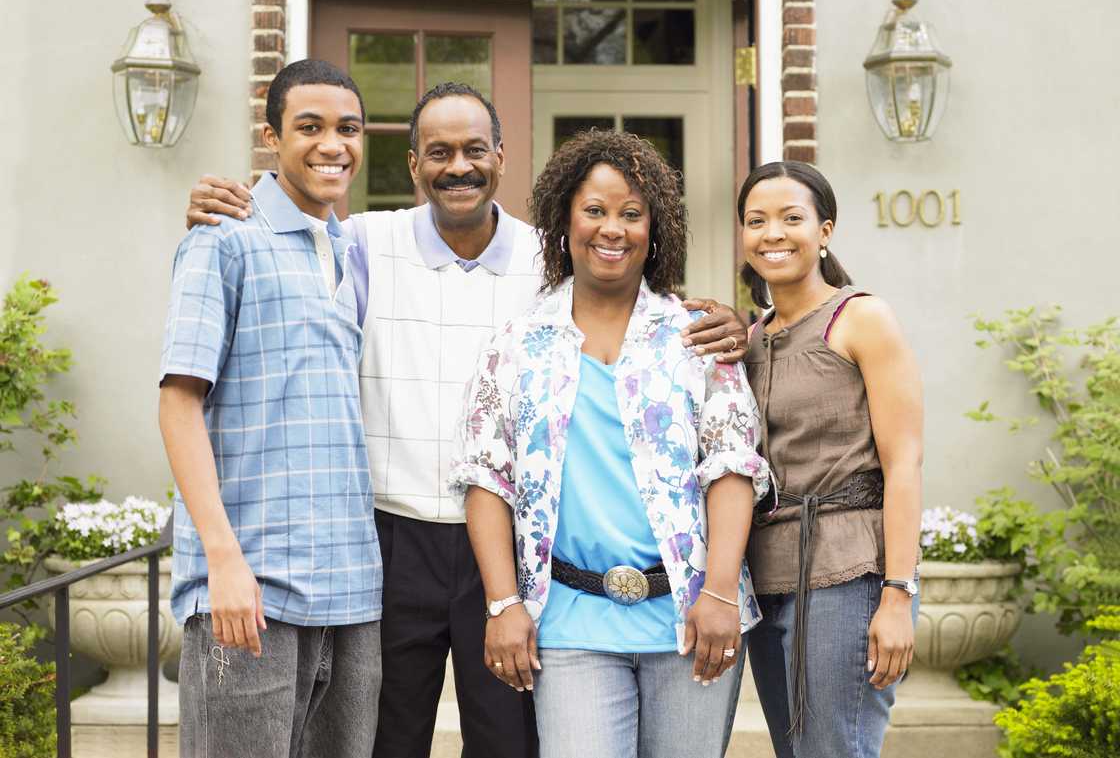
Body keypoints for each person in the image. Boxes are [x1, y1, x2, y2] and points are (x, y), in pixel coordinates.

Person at [186, 84, 751, 758]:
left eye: (475, 149)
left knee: (508, 742)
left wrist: (725, 323)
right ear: (413, 164)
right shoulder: (363, 241)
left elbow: (622, 284)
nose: (459, 165)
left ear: (501, 158)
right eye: (440, 152)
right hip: (393, 540)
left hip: (507, 550)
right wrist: (219, 206)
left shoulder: (550, 254)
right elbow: (285, 226)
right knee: (385, 738)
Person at [449, 130, 773, 758]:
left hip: (689, 618)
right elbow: (488, 478)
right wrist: (501, 605)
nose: (612, 229)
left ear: (655, 228)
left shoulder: (695, 338)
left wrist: (720, 592)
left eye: (631, 213)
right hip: (570, 623)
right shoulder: (517, 344)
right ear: (564, 220)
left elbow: (732, 467)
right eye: (594, 211)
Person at [158, 59, 383, 758]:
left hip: (351, 592)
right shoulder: (223, 239)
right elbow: (178, 404)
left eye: (347, 128)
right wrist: (223, 560)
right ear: (272, 135)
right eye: (308, 127)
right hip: (247, 590)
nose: (331, 144)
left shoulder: (355, 251)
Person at [735, 161, 922, 758]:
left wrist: (897, 594)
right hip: (769, 574)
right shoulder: (752, 338)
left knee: (834, 749)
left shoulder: (861, 318)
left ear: (825, 231)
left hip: (849, 571)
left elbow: (904, 463)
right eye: (756, 220)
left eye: (792, 218)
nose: (773, 234)